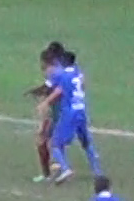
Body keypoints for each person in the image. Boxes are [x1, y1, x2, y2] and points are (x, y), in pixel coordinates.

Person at [44, 50, 101, 184]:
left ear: (63, 61)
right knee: (86, 142)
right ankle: (97, 171)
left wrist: (46, 102)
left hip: (69, 112)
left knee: (55, 143)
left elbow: (57, 90)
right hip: (81, 109)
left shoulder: (62, 75)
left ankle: (65, 168)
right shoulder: (77, 72)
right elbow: (83, 85)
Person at [25, 42, 67, 182]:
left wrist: (36, 93)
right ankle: (57, 169)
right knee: (53, 140)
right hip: (66, 110)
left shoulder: (53, 72)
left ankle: (50, 173)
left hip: (58, 111)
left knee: (42, 138)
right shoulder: (67, 69)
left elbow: (49, 89)